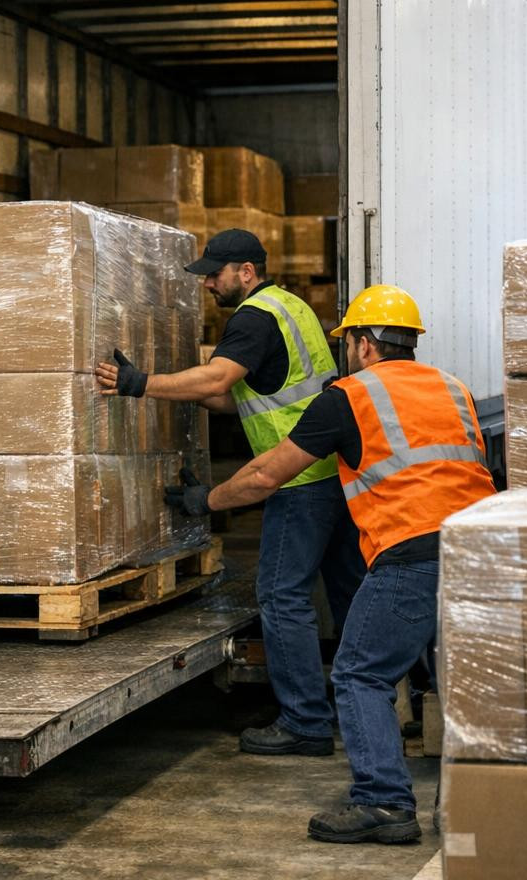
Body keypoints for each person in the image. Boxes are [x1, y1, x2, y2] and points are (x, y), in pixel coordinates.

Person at [169, 285, 496, 844]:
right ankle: (466, 803)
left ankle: (385, 804)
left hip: (411, 553)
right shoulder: (453, 387)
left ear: (365, 345)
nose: (346, 352)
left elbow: (268, 474)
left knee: (359, 673)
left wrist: (207, 500)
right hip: (479, 551)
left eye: (347, 342)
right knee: (457, 680)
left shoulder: (350, 397)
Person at [96, 228, 364, 757]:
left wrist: (140, 384)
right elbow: (244, 396)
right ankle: (366, 703)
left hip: (298, 481)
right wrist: (179, 392)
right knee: (348, 591)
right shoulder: (294, 308)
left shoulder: (254, 317)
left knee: (282, 597)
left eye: (215, 275)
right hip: (334, 473)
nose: (209, 286)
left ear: (246, 271)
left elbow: (219, 382)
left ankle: (305, 723)